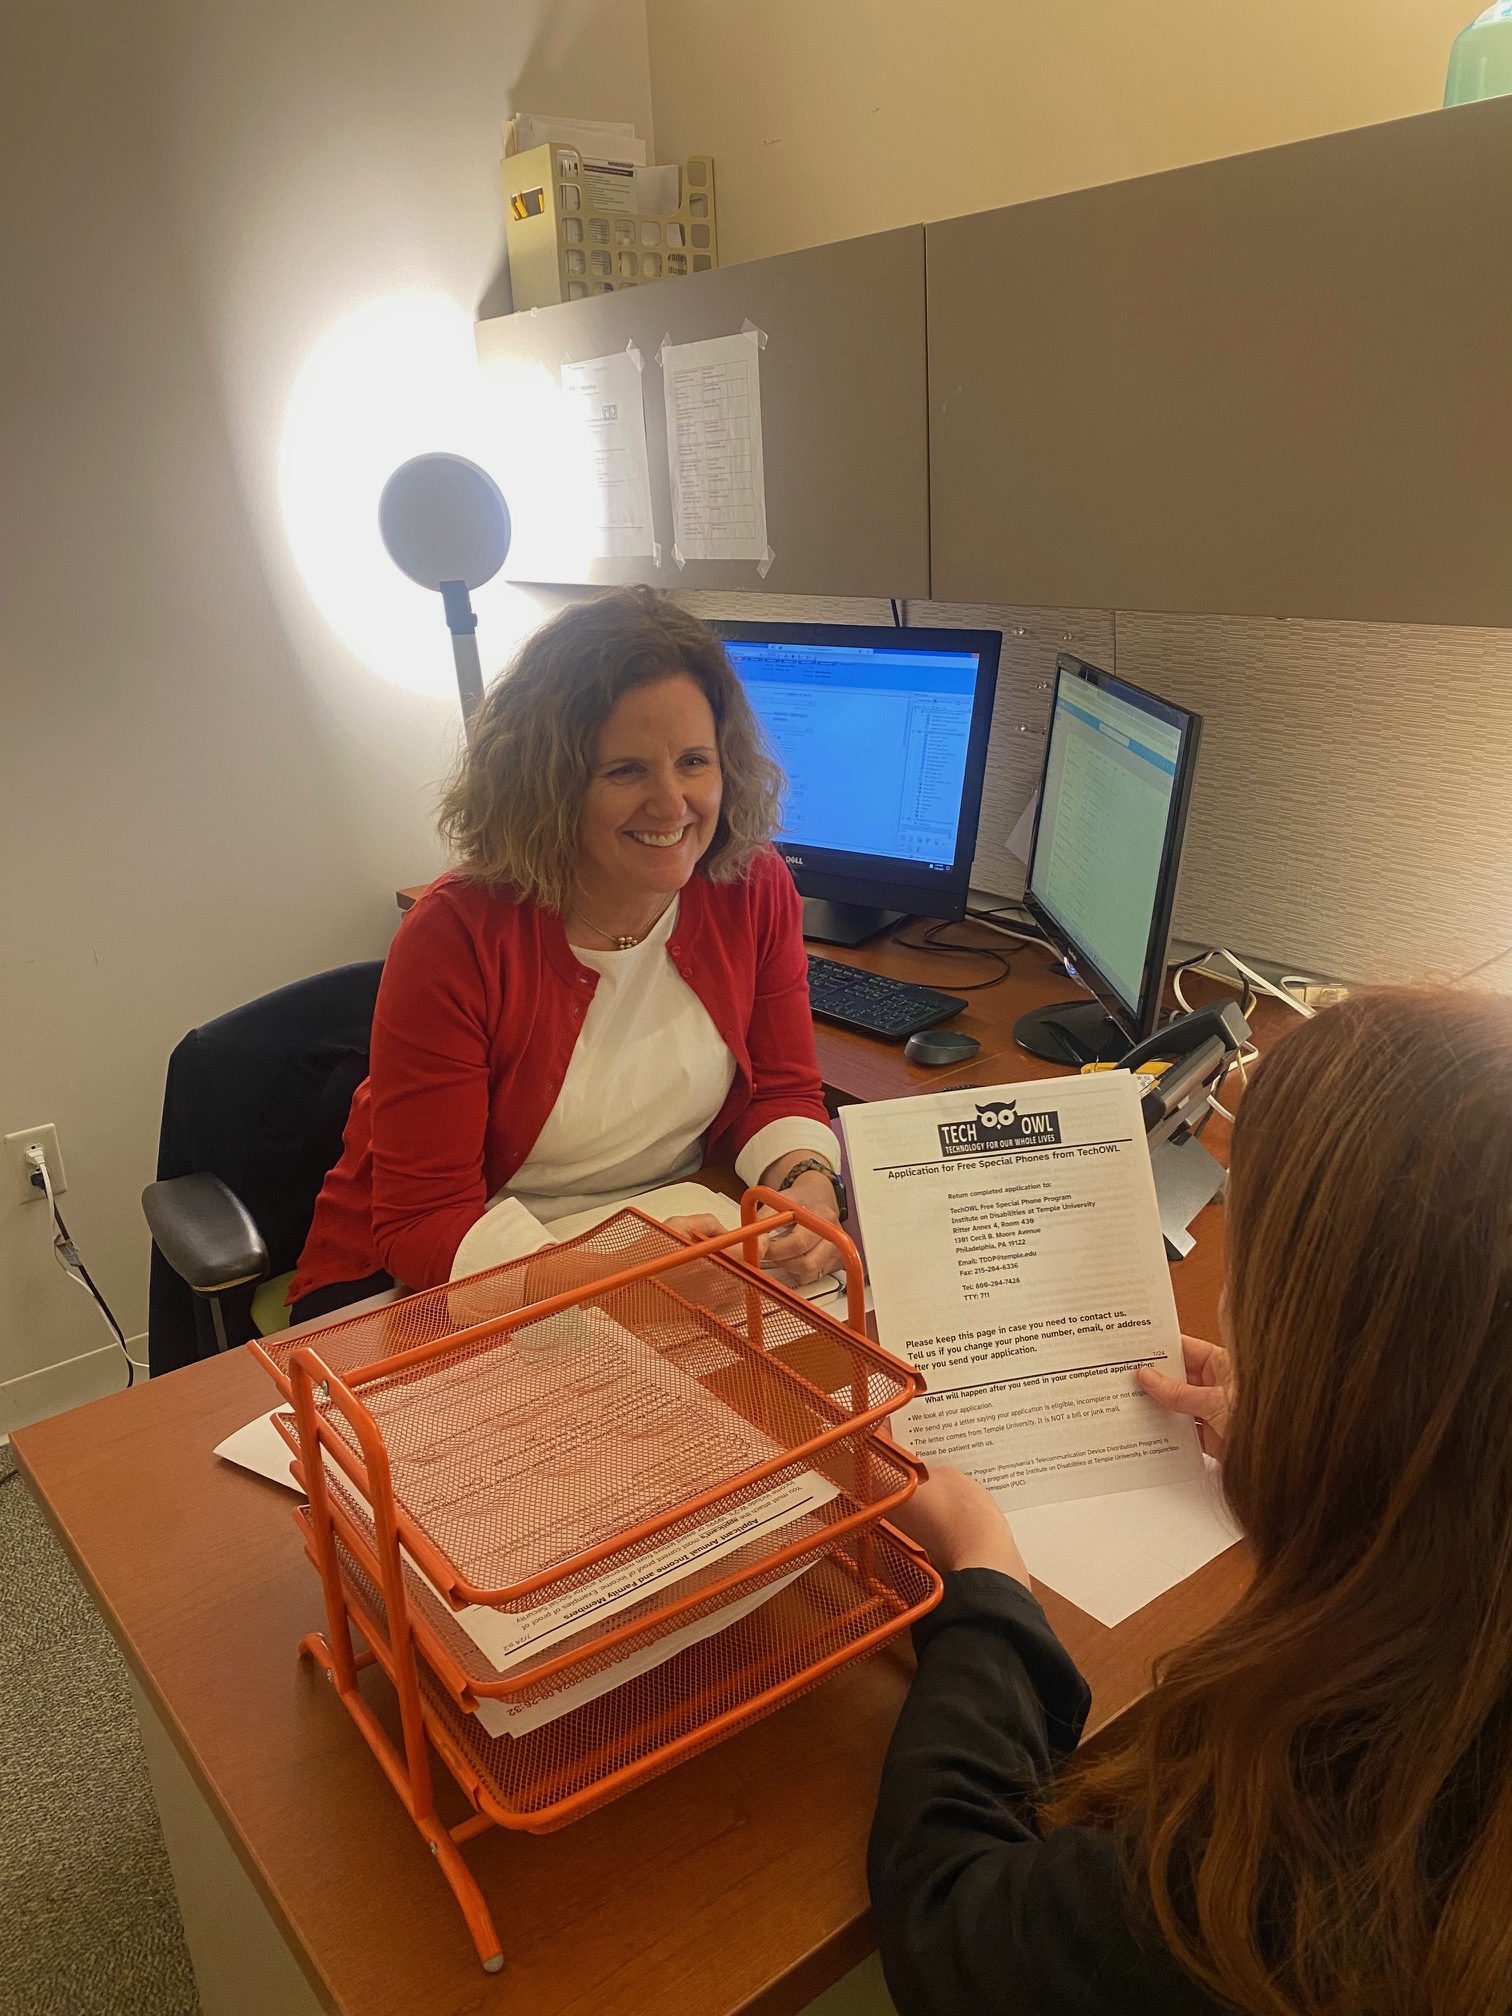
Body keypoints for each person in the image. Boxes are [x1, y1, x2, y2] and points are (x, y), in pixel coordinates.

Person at [871, 986, 1512, 2016]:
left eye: (1247, 1262)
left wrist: (982, 1577)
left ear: (1357, 1369)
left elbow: (950, 1921)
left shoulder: (1299, 1852)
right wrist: (1310, 1443)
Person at [288, 588, 845, 1323]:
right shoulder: (456, 934)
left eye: (693, 761)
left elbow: (779, 1091)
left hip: (664, 1236)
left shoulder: (749, 882)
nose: (672, 803)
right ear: (551, 784)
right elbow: (420, 1223)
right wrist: (611, 1273)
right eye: (625, 771)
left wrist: (807, 1186)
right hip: (441, 1277)